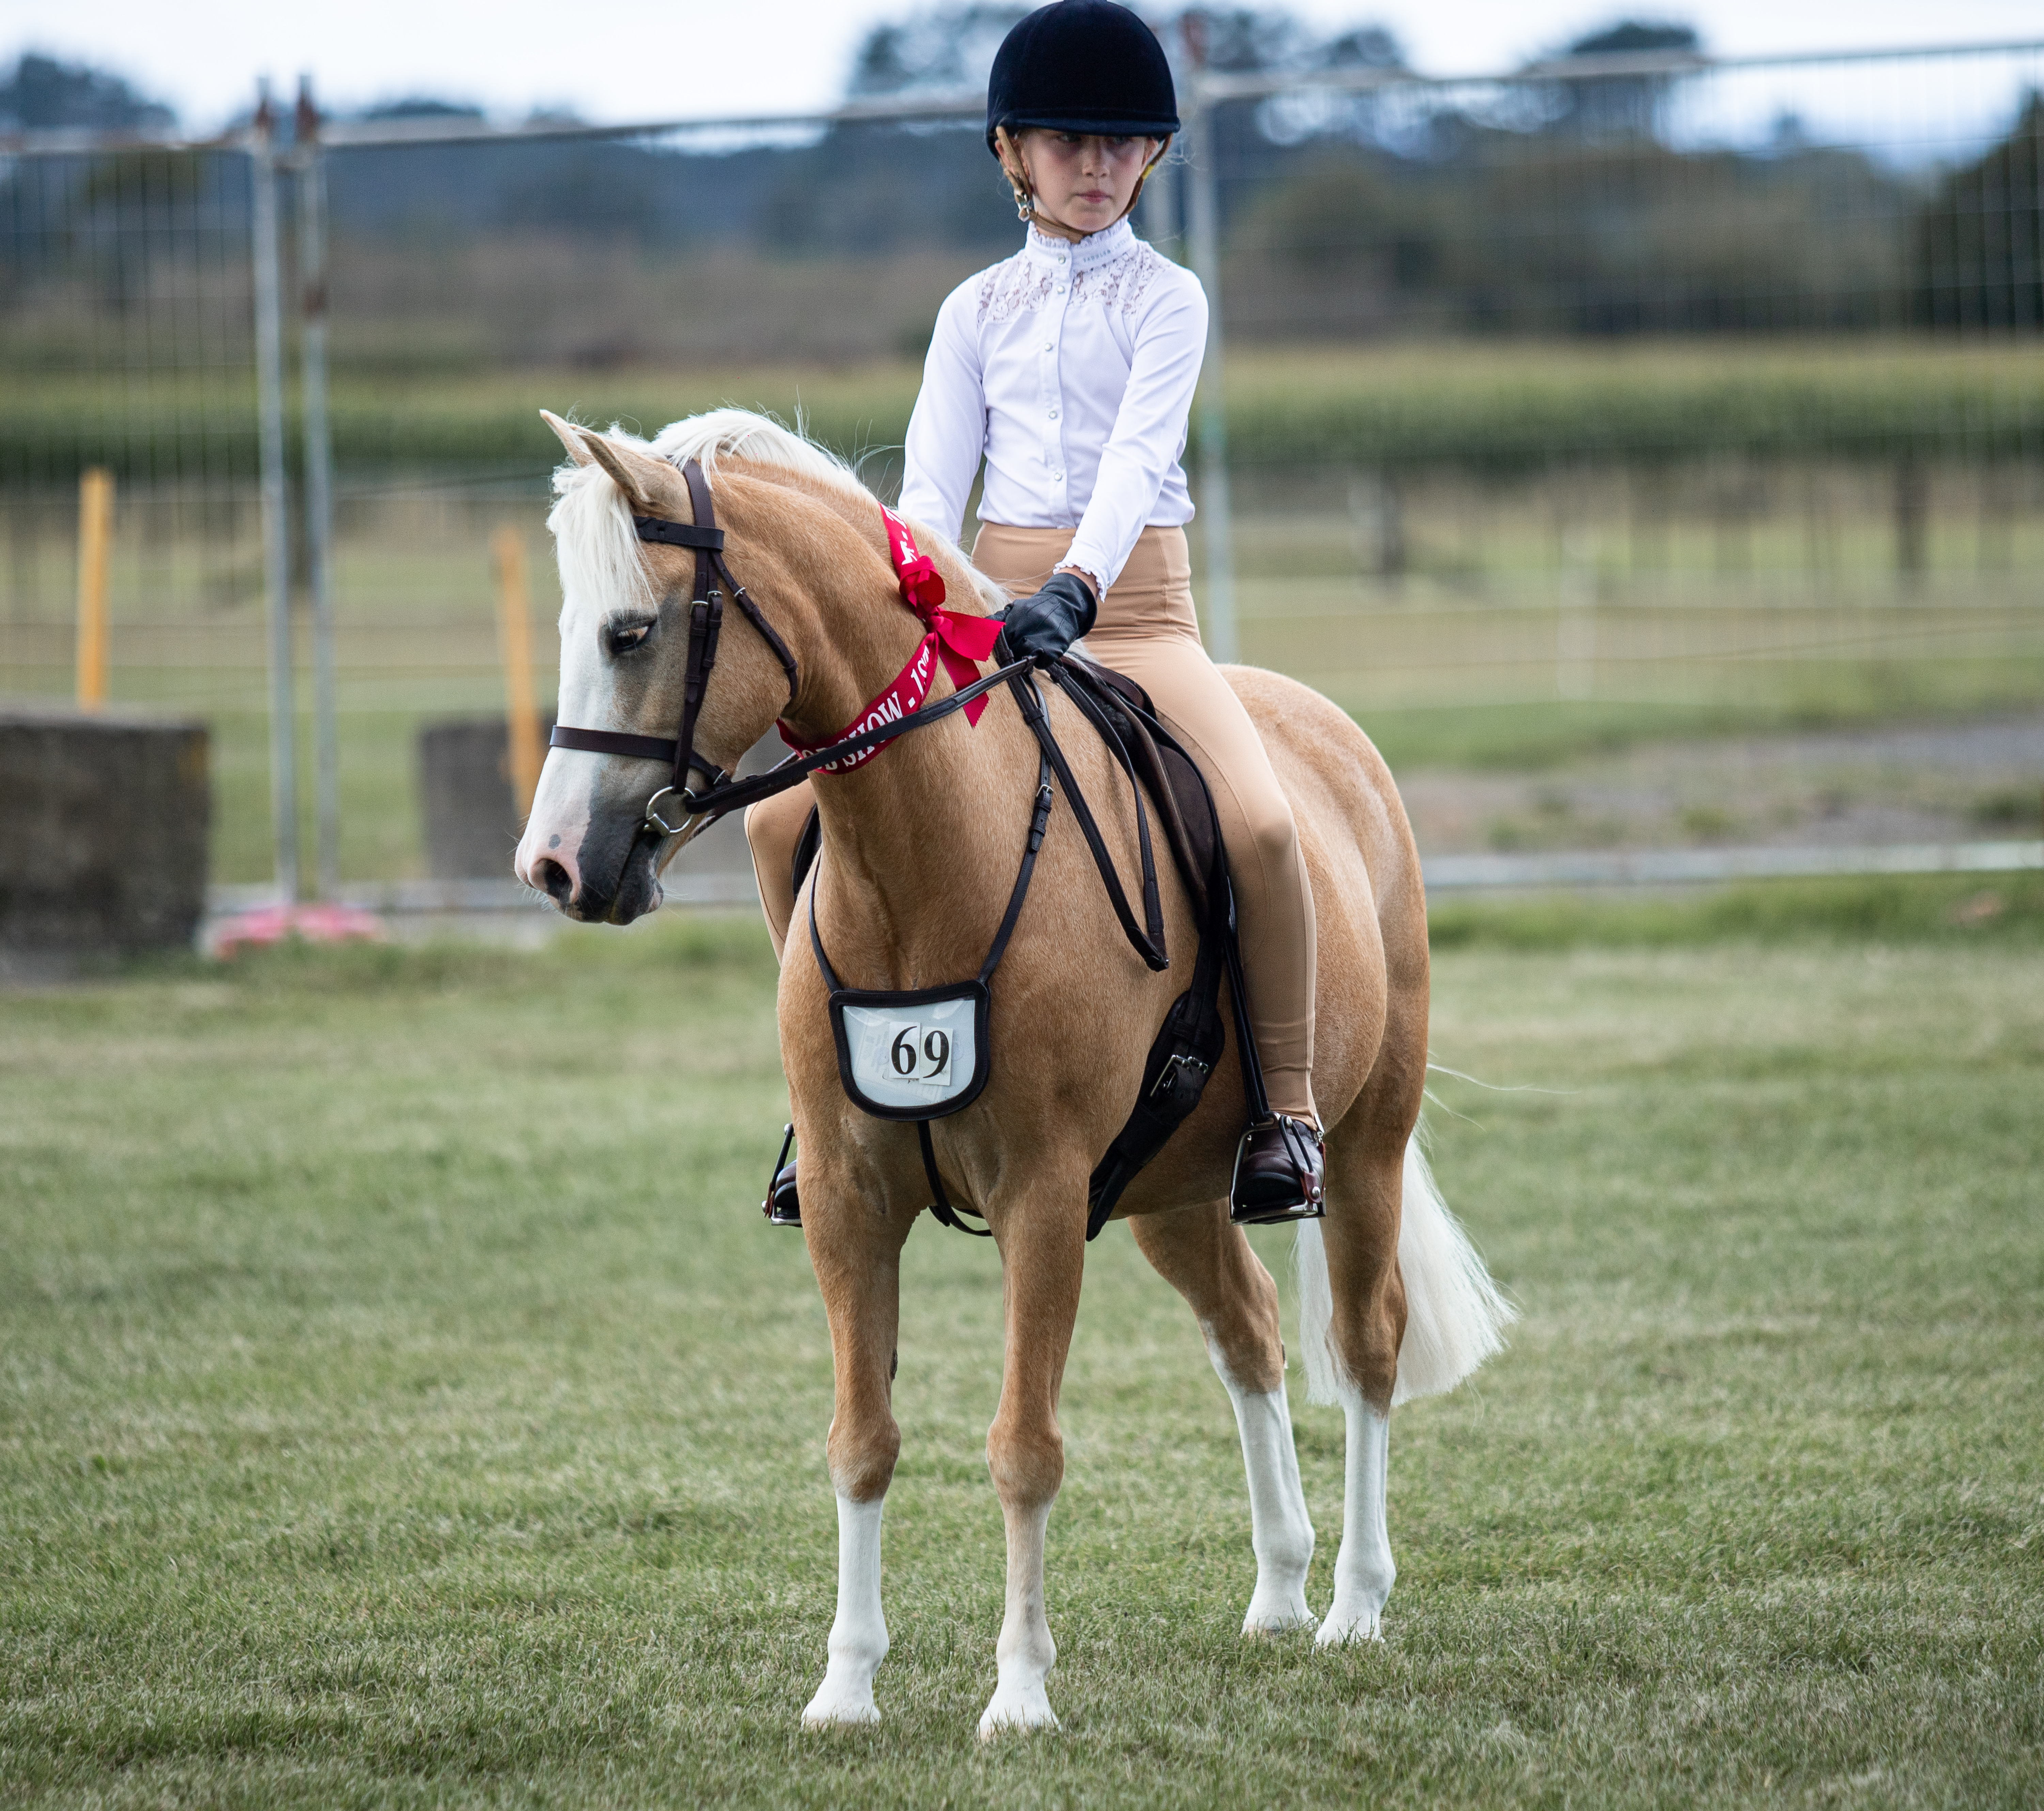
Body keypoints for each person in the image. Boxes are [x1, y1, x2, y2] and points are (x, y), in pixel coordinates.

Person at [747, 0, 1323, 1221]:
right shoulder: (974, 312)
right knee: (777, 822)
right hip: (987, 624)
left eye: (1123, 145)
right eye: (1071, 142)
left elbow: (1134, 461)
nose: (1100, 167)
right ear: (1012, 150)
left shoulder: (1170, 301)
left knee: (1265, 829)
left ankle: (1288, 1113)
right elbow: (929, 489)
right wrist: (926, 605)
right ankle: (820, 1104)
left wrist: (1078, 585)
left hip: (1138, 620)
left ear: (1154, 153)